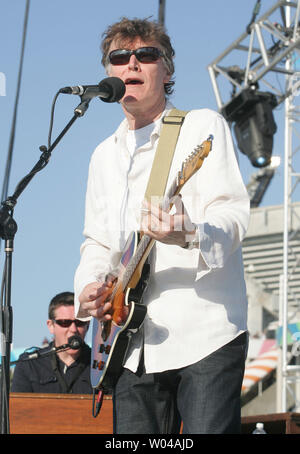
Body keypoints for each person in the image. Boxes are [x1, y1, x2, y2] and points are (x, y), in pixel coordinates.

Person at [74, 17, 250, 434]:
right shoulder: (103, 155)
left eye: (146, 55)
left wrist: (187, 233)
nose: (131, 63)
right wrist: (90, 288)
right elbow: (97, 242)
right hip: (130, 344)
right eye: (120, 57)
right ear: (109, 73)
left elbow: (232, 216)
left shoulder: (201, 127)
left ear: (166, 71)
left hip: (205, 331)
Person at [11, 292, 92, 394]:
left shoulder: (101, 366)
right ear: (51, 326)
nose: (73, 329)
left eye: (80, 322)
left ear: (87, 325)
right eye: (64, 322)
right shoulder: (28, 364)